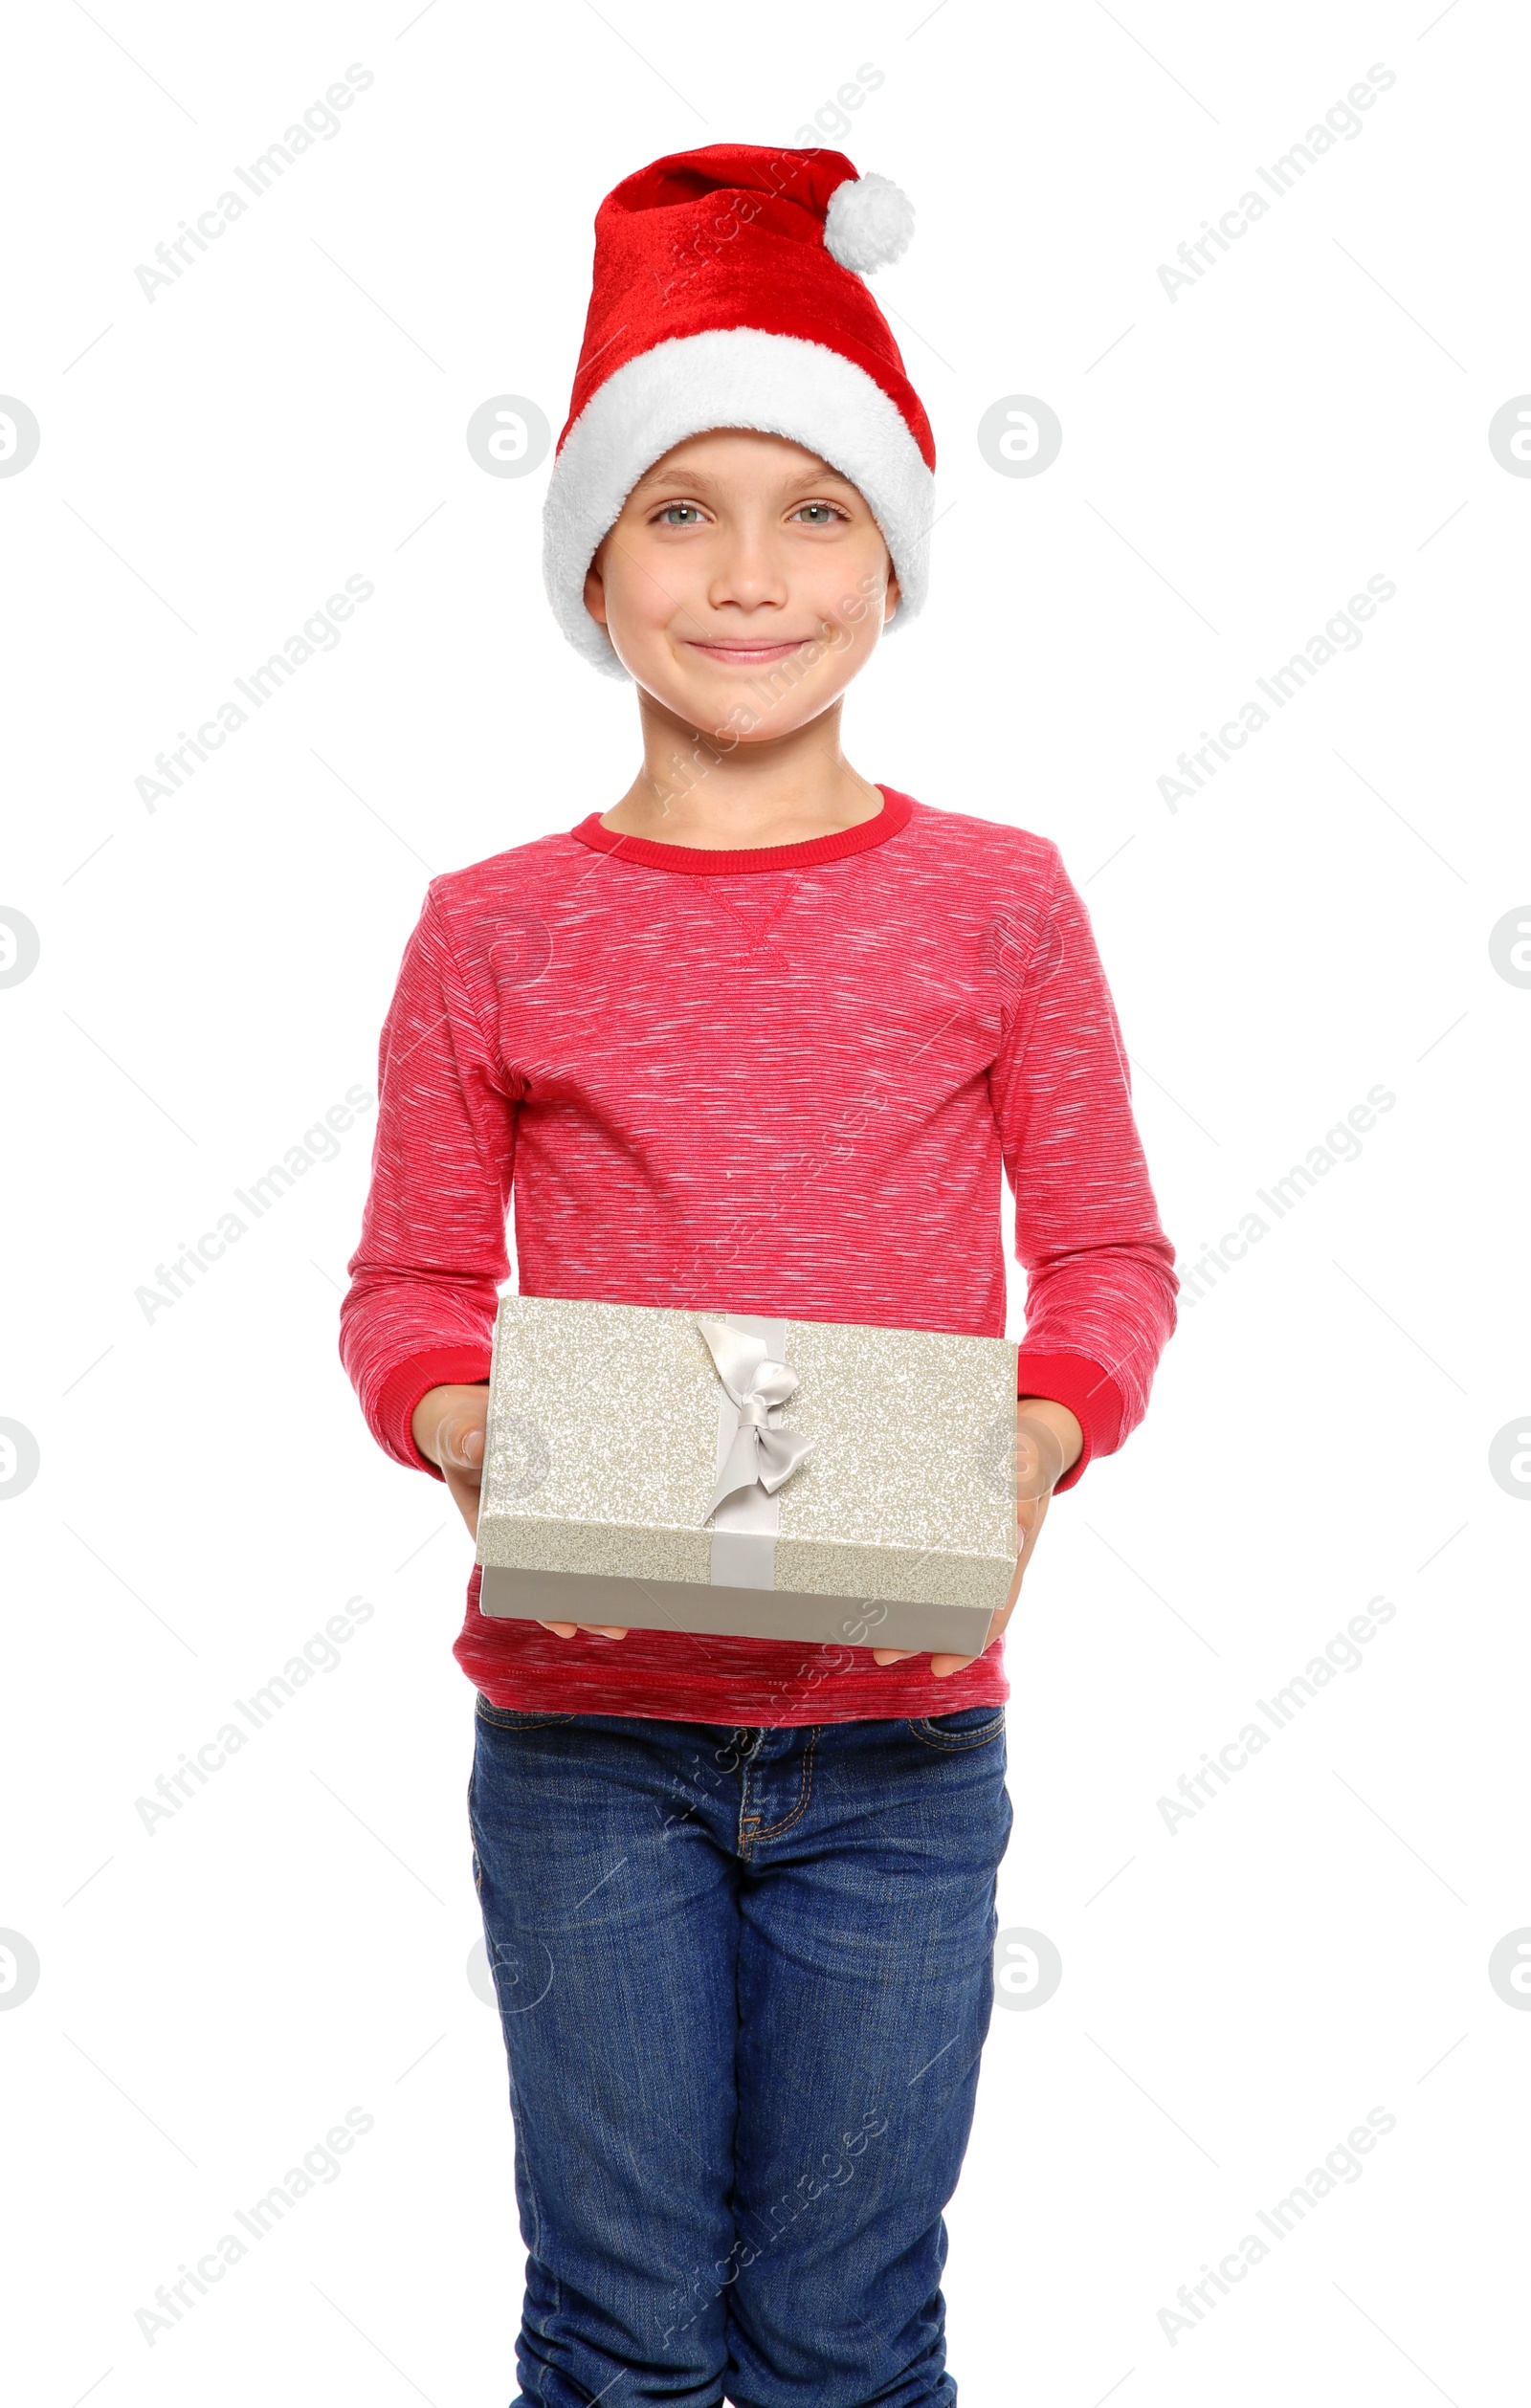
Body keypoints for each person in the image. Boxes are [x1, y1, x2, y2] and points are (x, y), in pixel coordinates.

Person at [340, 142, 1178, 2408]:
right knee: (613, 2323)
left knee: (839, 2330)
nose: (745, 570)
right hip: (588, 1733)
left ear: (890, 562)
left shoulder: (995, 899)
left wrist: (1038, 1423)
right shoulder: (493, 925)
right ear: (592, 562)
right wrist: (462, 1416)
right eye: (679, 506)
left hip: (899, 1746)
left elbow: (1102, 1247)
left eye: (812, 508)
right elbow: (409, 1279)